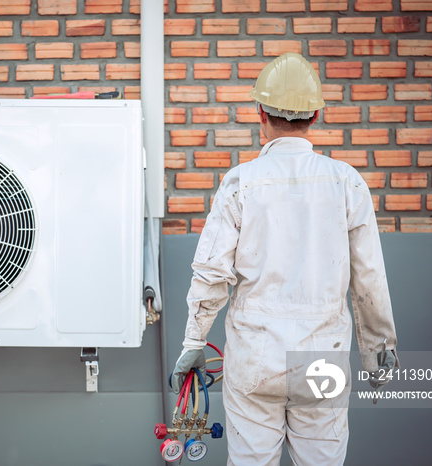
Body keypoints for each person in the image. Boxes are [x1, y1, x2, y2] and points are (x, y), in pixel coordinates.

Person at [170, 53, 399, 465]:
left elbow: (210, 273)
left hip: (255, 358)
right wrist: (378, 350)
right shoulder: (346, 182)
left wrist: (193, 341)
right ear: (316, 114)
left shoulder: (240, 182)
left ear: (261, 111)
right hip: (322, 356)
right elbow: (369, 278)